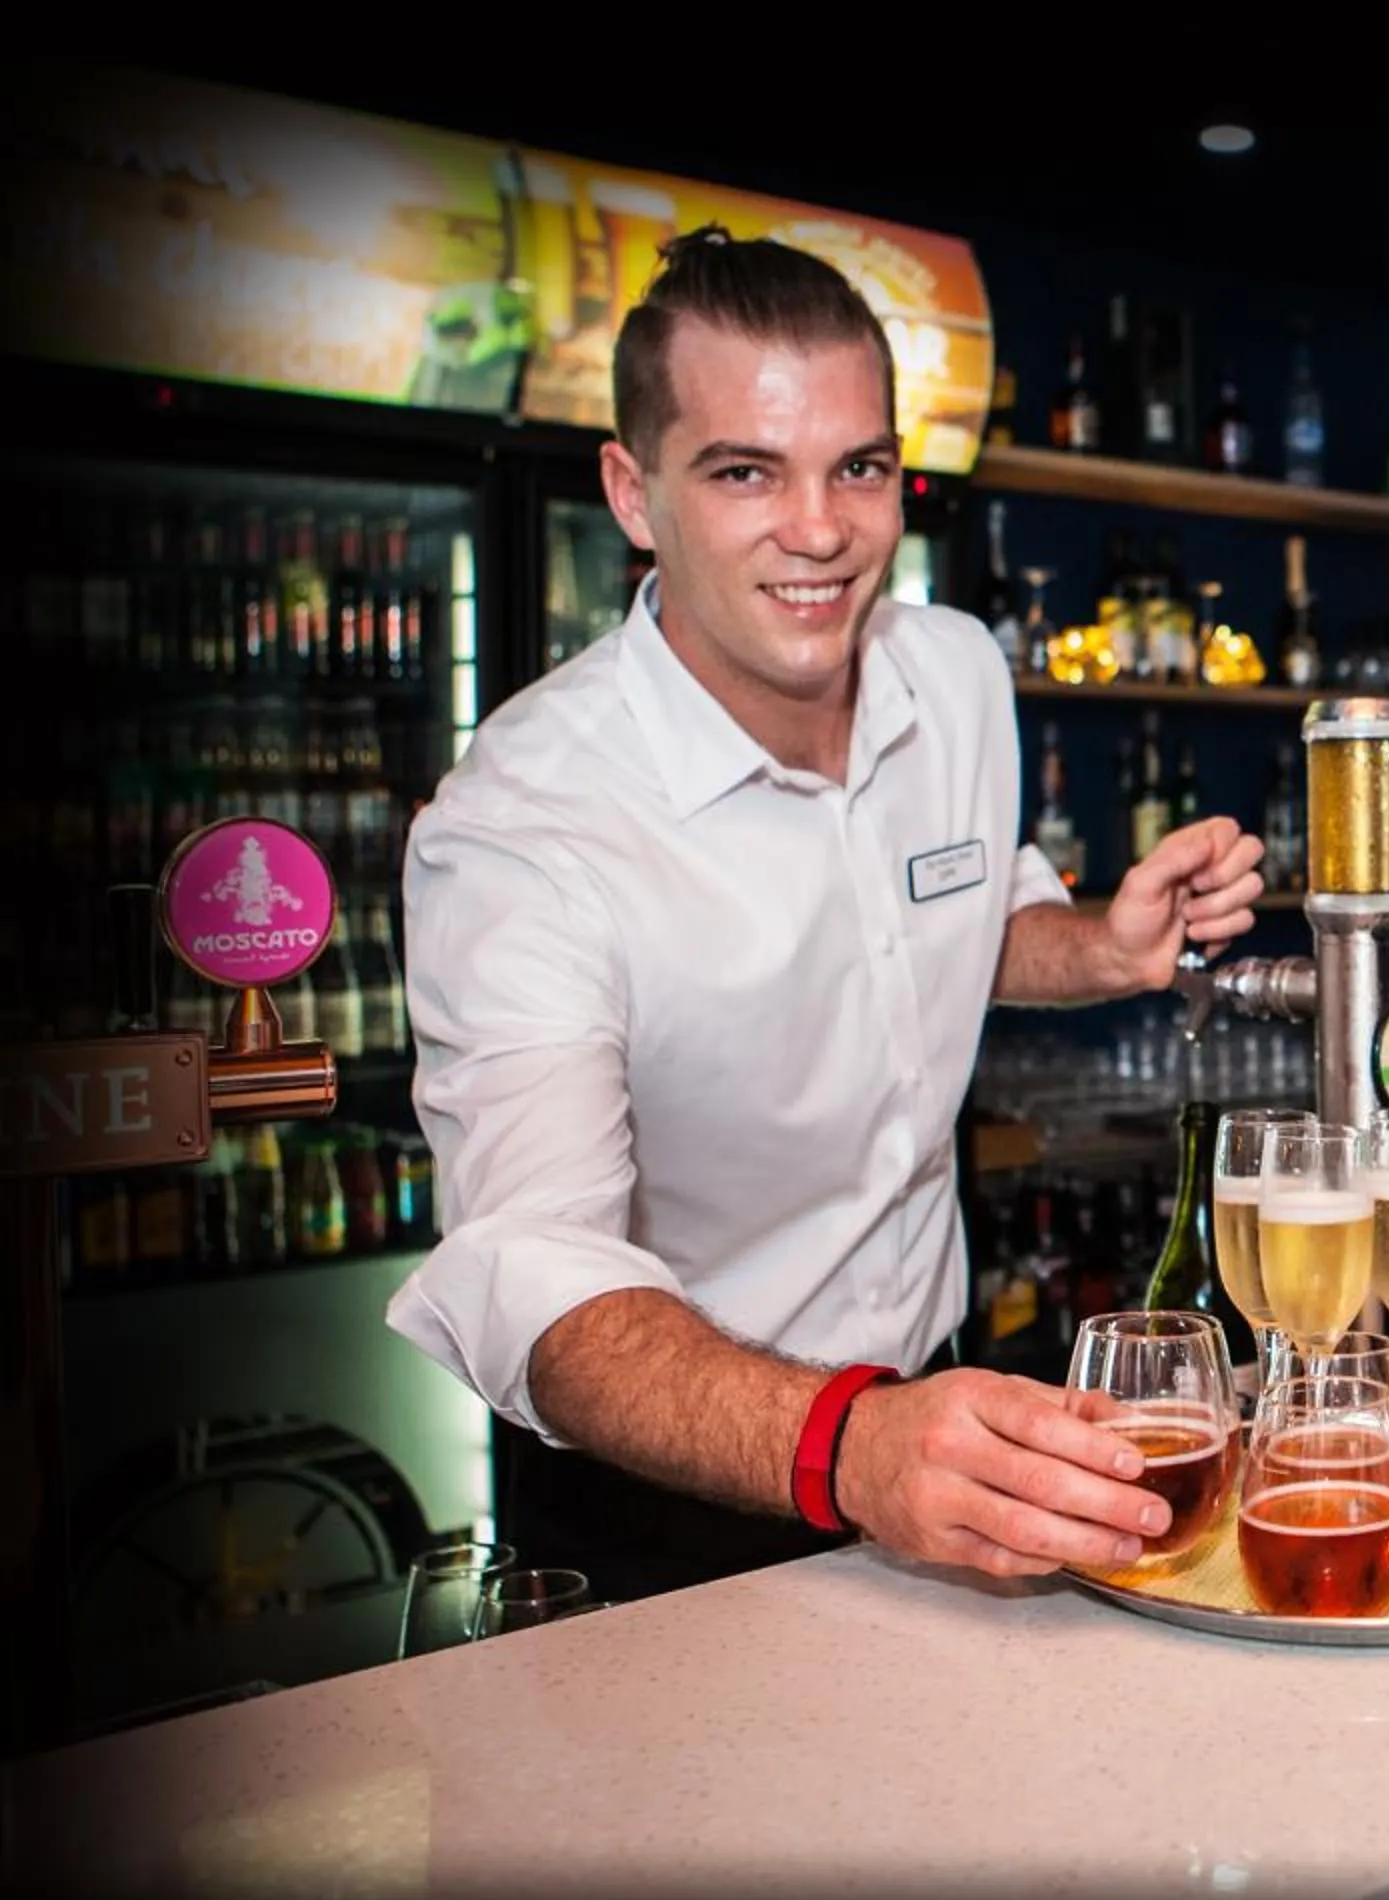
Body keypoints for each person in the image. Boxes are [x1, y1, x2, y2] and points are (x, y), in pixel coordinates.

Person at [386, 227, 1265, 1605]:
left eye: (858, 466)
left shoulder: (954, 670)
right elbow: (534, 1277)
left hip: (936, 1413)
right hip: (677, 1478)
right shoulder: (524, 827)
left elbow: (962, 914)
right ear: (633, 492)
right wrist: (842, 1441)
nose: (821, 529)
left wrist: (1101, 946)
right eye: (746, 471)